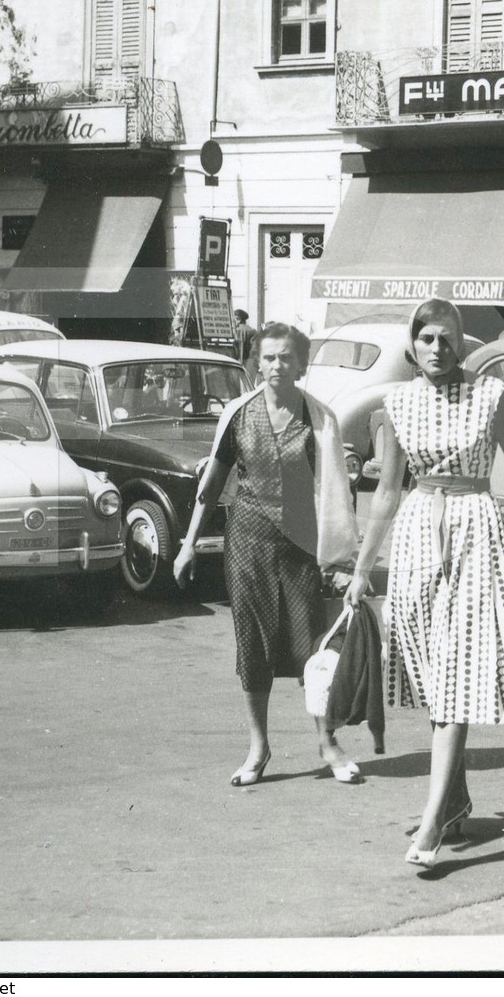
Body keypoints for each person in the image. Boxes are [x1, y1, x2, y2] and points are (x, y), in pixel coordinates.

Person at [345, 298, 504, 868]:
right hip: (420, 535)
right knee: (430, 671)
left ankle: (431, 824)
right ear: (413, 346)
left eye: (447, 339)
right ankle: (455, 802)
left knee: (455, 677)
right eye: (427, 339)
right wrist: (361, 568)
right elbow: (388, 495)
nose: (437, 349)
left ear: (461, 343)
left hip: (475, 533)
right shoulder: (396, 403)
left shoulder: (490, 396)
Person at [174, 322, 363, 786]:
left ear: (301, 364)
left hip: (301, 546)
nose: (278, 365)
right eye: (270, 357)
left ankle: (328, 743)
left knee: (312, 647)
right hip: (248, 544)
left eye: (287, 357)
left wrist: (339, 558)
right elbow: (211, 486)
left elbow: (336, 491)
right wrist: (187, 544)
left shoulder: (318, 418)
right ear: (257, 362)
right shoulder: (239, 415)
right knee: (252, 643)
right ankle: (258, 748)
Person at [234, 310, 261, 387]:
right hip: (251, 362)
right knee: (248, 386)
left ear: (238, 319)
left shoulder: (237, 330)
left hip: (240, 361)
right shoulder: (252, 330)